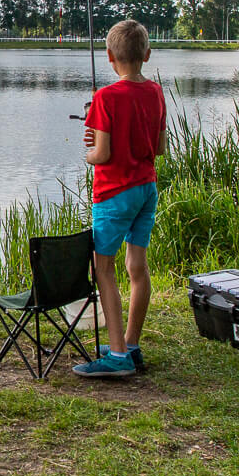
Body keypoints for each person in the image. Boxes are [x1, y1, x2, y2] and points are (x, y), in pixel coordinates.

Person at [73, 19, 167, 378]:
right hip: (146, 188)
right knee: (137, 268)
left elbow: (102, 156)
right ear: (146, 54)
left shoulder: (105, 97)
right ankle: (130, 343)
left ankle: (115, 356)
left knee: (104, 270)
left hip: (114, 193)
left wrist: (90, 151)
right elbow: (159, 148)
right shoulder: (156, 92)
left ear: (110, 57)